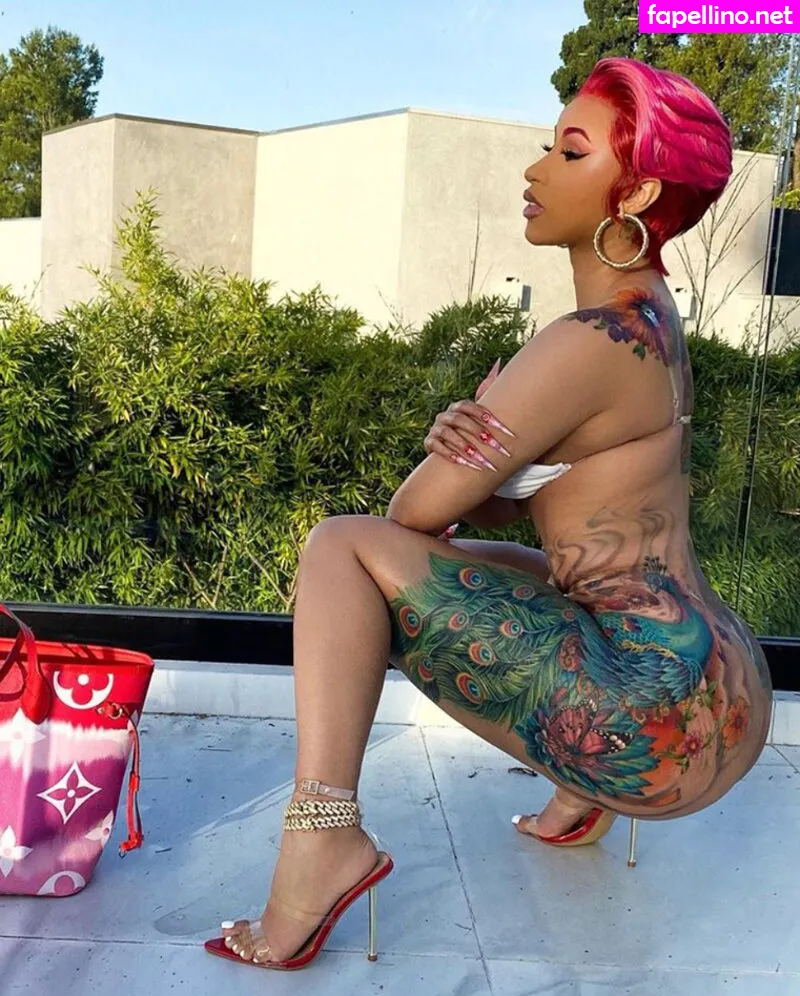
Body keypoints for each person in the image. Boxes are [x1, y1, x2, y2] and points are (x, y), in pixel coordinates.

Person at [204, 56, 773, 971]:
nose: (535, 169)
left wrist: (461, 441)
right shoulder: (653, 317)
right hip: (726, 689)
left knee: (342, 551)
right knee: (523, 569)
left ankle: (323, 836)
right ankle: (576, 798)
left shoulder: (585, 342)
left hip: (648, 731)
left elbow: (411, 515)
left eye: (571, 153)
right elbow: (551, 512)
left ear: (637, 192)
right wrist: (498, 469)